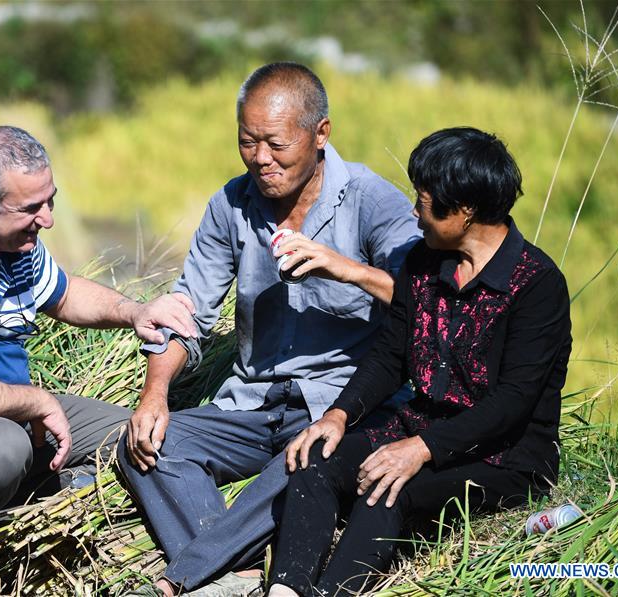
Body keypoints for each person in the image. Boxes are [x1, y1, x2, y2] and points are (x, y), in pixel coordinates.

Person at [119, 62, 421, 596]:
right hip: (251, 403)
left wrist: (343, 266)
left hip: (339, 407)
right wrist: (154, 393)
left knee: (311, 464)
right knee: (146, 446)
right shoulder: (230, 205)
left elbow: (425, 301)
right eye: (247, 142)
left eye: (276, 144)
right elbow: (185, 314)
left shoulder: (373, 201)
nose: (261, 159)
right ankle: (238, 572)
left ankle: (182, 578)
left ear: (321, 133)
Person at [267, 127, 573, 596]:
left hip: (504, 457)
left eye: (425, 201)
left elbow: (514, 401)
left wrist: (422, 449)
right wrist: (338, 414)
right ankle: (284, 590)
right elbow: (391, 355)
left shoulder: (537, 285)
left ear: (466, 210)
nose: (415, 212)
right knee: (315, 460)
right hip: (417, 428)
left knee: (388, 488)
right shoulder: (423, 263)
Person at [0, 126, 198, 596]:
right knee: (0, 449)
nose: (47, 219)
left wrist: (135, 312)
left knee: (140, 435)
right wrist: (39, 402)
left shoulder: (9, 237)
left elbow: (62, 294)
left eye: (50, 201)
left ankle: (22, 504)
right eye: (31, 208)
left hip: (0, 410)